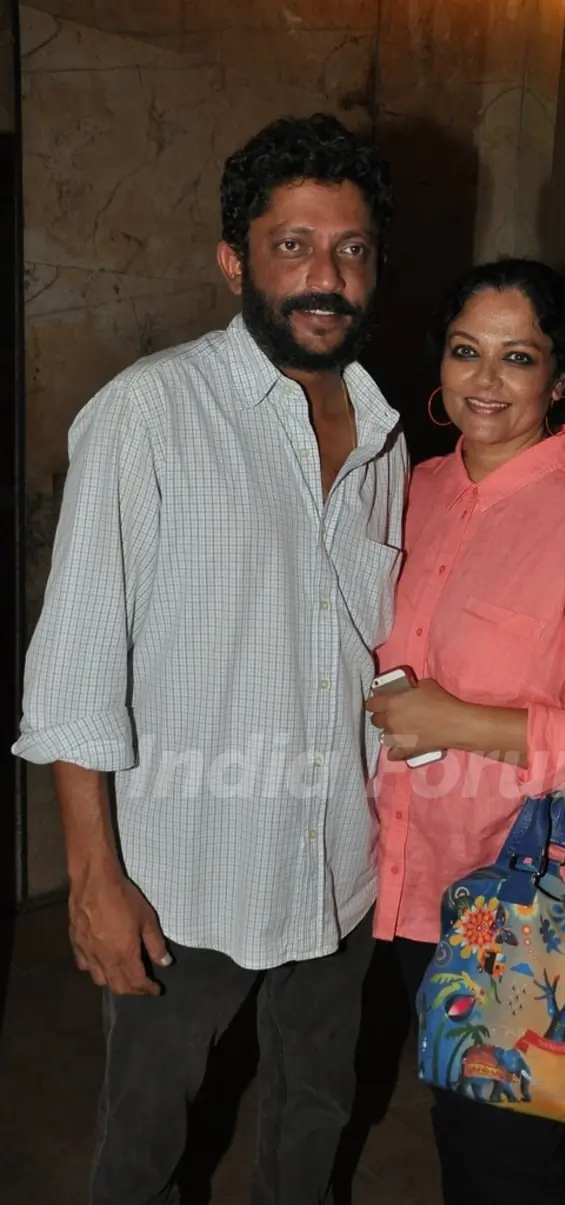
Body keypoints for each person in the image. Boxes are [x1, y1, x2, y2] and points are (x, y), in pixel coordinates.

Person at [13, 114, 408, 1205]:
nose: (325, 277)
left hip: (338, 867)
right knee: (145, 1143)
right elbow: (75, 674)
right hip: (185, 879)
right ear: (234, 259)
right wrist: (94, 879)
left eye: (352, 248)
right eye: (292, 245)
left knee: (315, 1105)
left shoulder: (385, 433)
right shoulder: (149, 414)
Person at [365, 258, 565, 1204]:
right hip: (397, 879)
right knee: (443, 1117)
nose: (485, 380)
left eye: (517, 356)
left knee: (504, 1161)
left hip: (522, 906)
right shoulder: (407, 489)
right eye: (467, 351)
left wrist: (454, 718)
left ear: (558, 378)